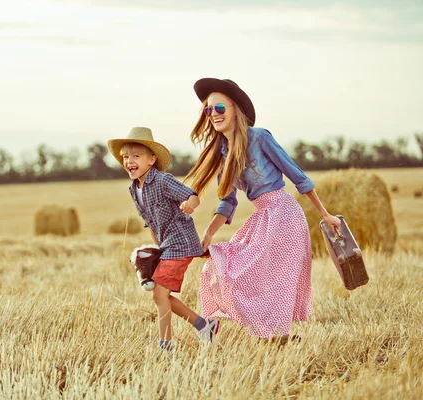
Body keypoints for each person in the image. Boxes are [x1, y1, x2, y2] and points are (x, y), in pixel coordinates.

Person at [183, 78, 341, 340]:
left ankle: (275, 336)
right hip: (262, 217)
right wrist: (208, 234)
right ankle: (254, 333)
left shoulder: (260, 138)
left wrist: (324, 214)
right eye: (208, 110)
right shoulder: (223, 152)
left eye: (219, 108)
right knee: (221, 267)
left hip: (284, 215)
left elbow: (297, 176)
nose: (213, 115)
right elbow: (228, 201)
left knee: (269, 280)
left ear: (236, 109)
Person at [107, 127, 218, 351]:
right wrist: (158, 250)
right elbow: (150, 222)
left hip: (181, 242)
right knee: (161, 297)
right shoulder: (134, 188)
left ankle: (165, 347)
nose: (129, 161)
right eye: (126, 157)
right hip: (167, 245)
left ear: (152, 159)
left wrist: (189, 205)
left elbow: (192, 195)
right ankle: (204, 325)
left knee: (159, 295)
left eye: (136, 156)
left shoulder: (163, 180)